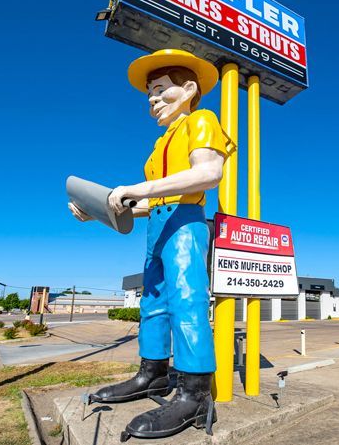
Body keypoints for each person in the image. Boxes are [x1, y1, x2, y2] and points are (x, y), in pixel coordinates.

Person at [69, 49, 230, 439]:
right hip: (156, 229)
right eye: (150, 96)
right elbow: (154, 201)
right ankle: (152, 374)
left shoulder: (202, 121)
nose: (153, 101)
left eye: (161, 90)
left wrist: (136, 189)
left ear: (189, 88)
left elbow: (209, 173)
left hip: (185, 225)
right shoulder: (158, 148)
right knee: (153, 304)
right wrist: (107, 210)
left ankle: (195, 394)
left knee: (186, 301)